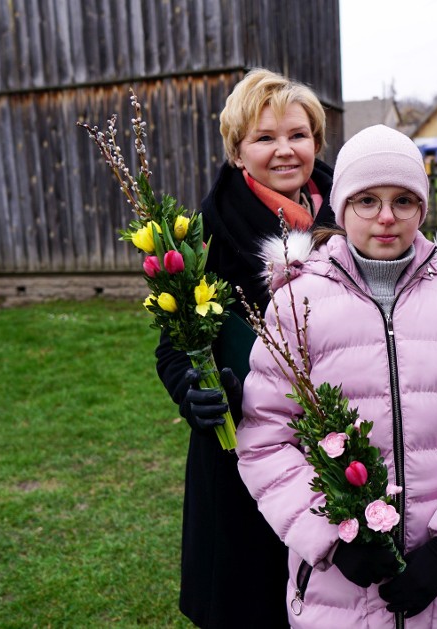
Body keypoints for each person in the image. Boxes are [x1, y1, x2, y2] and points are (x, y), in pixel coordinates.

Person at [235, 125, 437, 628]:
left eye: (404, 200)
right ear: (342, 208)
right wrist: (331, 538)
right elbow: (265, 440)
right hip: (338, 597)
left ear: (424, 208)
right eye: (367, 200)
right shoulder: (297, 304)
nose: (387, 217)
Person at [155, 68, 336, 628]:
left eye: (297, 135)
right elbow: (175, 347)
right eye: (264, 138)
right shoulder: (200, 235)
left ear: (316, 143)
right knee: (254, 606)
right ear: (238, 152)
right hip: (241, 455)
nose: (284, 151)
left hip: (340, 441)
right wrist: (194, 392)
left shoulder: (352, 213)